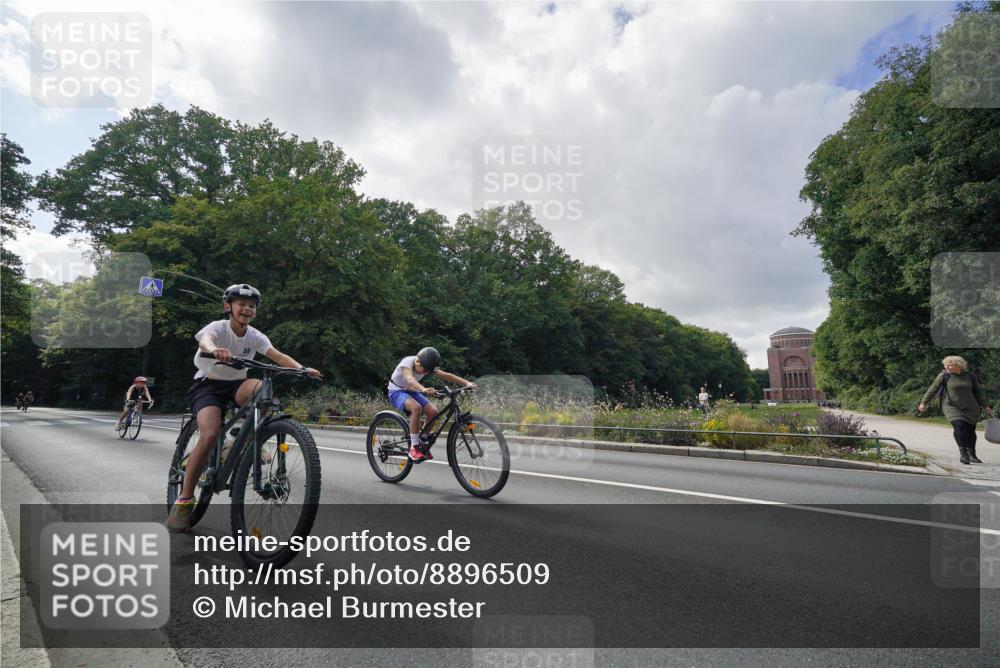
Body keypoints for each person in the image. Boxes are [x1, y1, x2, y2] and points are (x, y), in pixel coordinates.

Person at [165, 284, 322, 532]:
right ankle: (184, 501)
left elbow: (278, 357)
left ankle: (247, 438)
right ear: (229, 307)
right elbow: (205, 340)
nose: (247, 309)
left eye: (251, 306)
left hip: (237, 385)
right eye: (241, 304)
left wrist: (302, 369)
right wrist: (214, 350)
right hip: (208, 386)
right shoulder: (218, 327)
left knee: (264, 390)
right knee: (209, 433)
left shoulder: (255, 336)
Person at [386, 347, 476, 462]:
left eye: (428, 371)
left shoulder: (426, 365)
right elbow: (409, 379)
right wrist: (423, 389)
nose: (425, 373)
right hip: (396, 391)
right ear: (418, 361)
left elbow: (447, 375)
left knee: (433, 412)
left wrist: (466, 383)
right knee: (416, 408)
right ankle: (414, 448)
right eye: (424, 370)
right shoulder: (407, 363)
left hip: (411, 391)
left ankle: (422, 441)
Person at [919, 356, 993, 465]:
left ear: (958, 365)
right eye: (945, 365)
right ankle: (963, 454)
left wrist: (985, 406)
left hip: (971, 407)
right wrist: (923, 403)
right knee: (959, 426)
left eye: (949, 365)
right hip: (951, 406)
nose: (946, 367)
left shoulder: (970, 376)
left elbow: (978, 391)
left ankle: (972, 454)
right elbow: (932, 389)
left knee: (970, 431)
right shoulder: (944, 376)